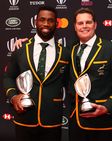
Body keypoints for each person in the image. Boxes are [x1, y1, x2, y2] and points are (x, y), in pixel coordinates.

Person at [3, 6, 70, 141]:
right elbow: (9, 77)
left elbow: (71, 82)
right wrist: (13, 96)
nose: (46, 24)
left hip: (52, 120)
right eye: (42, 20)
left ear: (56, 24)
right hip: (24, 118)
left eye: (50, 20)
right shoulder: (21, 48)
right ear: (35, 22)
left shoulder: (66, 53)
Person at [68, 7, 112, 141]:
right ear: (74, 26)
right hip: (77, 125)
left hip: (104, 124)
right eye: (80, 23)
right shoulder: (70, 50)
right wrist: (27, 43)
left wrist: (107, 107)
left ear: (95, 25)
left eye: (88, 22)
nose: (84, 26)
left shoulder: (111, 49)